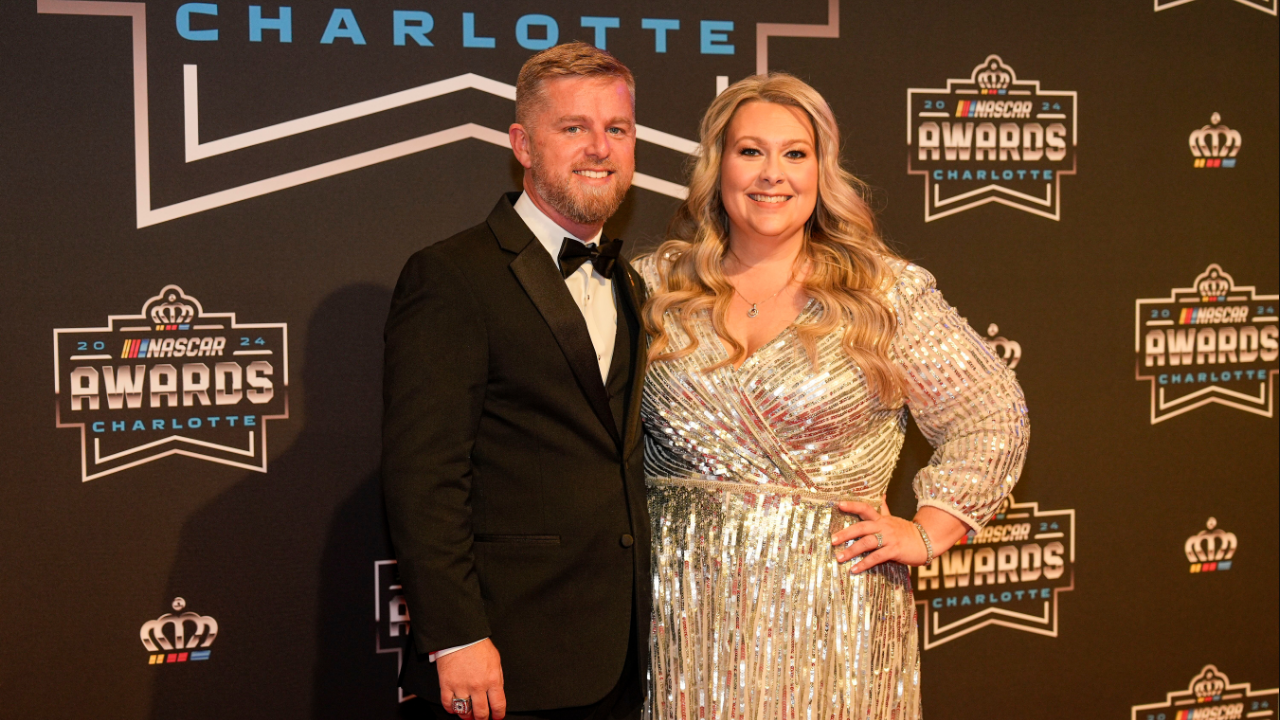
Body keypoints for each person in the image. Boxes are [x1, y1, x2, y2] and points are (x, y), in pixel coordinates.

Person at [635, 74, 1029, 717]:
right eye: (750, 151)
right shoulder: (654, 286)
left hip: (837, 612)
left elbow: (992, 416)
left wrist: (927, 533)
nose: (772, 174)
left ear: (822, 171)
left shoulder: (883, 292)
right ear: (717, 165)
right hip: (683, 616)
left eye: (795, 153)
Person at [381, 43, 649, 720]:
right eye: (573, 128)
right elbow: (424, 475)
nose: (600, 147)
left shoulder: (631, 281)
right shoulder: (452, 275)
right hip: (504, 659)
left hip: (621, 655)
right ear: (523, 145)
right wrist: (458, 636)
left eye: (616, 129)